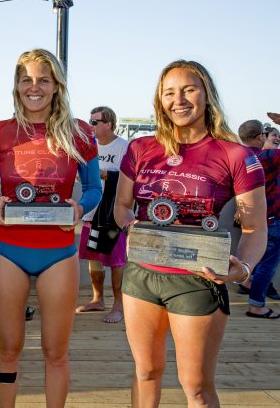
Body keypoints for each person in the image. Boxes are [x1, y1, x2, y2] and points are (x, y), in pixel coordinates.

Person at [114, 59, 267, 407]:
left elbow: (256, 229)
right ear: (160, 100)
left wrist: (242, 268)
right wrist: (129, 225)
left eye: (188, 89)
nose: (178, 100)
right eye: (169, 92)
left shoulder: (235, 154)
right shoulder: (140, 148)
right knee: (145, 373)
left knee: (196, 387)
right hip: (141, 275)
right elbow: (121, 206)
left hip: (199, 279)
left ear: (206, 94)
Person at [0, 49, 102, 407]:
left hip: (59, 253)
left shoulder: (79, 132)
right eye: (26, 80)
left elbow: (95, 188)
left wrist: (80, 206)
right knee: (9, 349)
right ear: (17, 85)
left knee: (56, 351)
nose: (34, 87)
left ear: (56, 86)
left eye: (43, 80)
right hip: (9, 251)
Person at [76, 106, 129, 323]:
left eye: (95, 122)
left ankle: (118, 305)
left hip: (113, 215)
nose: (91, 125)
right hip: (92, 213)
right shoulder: (89, 147)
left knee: (116, 261)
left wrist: (106, 174)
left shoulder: (124, 147)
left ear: (108, 124)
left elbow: (131, 178)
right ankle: (98, 299)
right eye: (90, 121)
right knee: (93, 258)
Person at [235, 120, 280, 319]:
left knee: (257, 256)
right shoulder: (268, 156)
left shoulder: (241, 157)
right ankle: (256, 306)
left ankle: (246, 282)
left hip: (250, 218)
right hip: (271, 218)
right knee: (267, 264)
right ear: (260, 137)